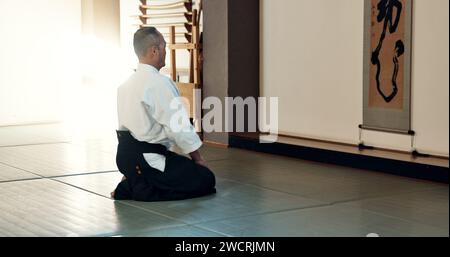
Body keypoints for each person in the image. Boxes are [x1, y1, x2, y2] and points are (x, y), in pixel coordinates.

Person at [111, 27, 216, 202]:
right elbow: (178, 127)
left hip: (124, 157)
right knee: (205, 179)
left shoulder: (125, 85)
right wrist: (198, 159)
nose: (165, 52)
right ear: (154, 50)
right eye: (164, 47)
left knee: (178, 166)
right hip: (148, 160)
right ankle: (135, 188)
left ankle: (134, 178)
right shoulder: (158, 83)